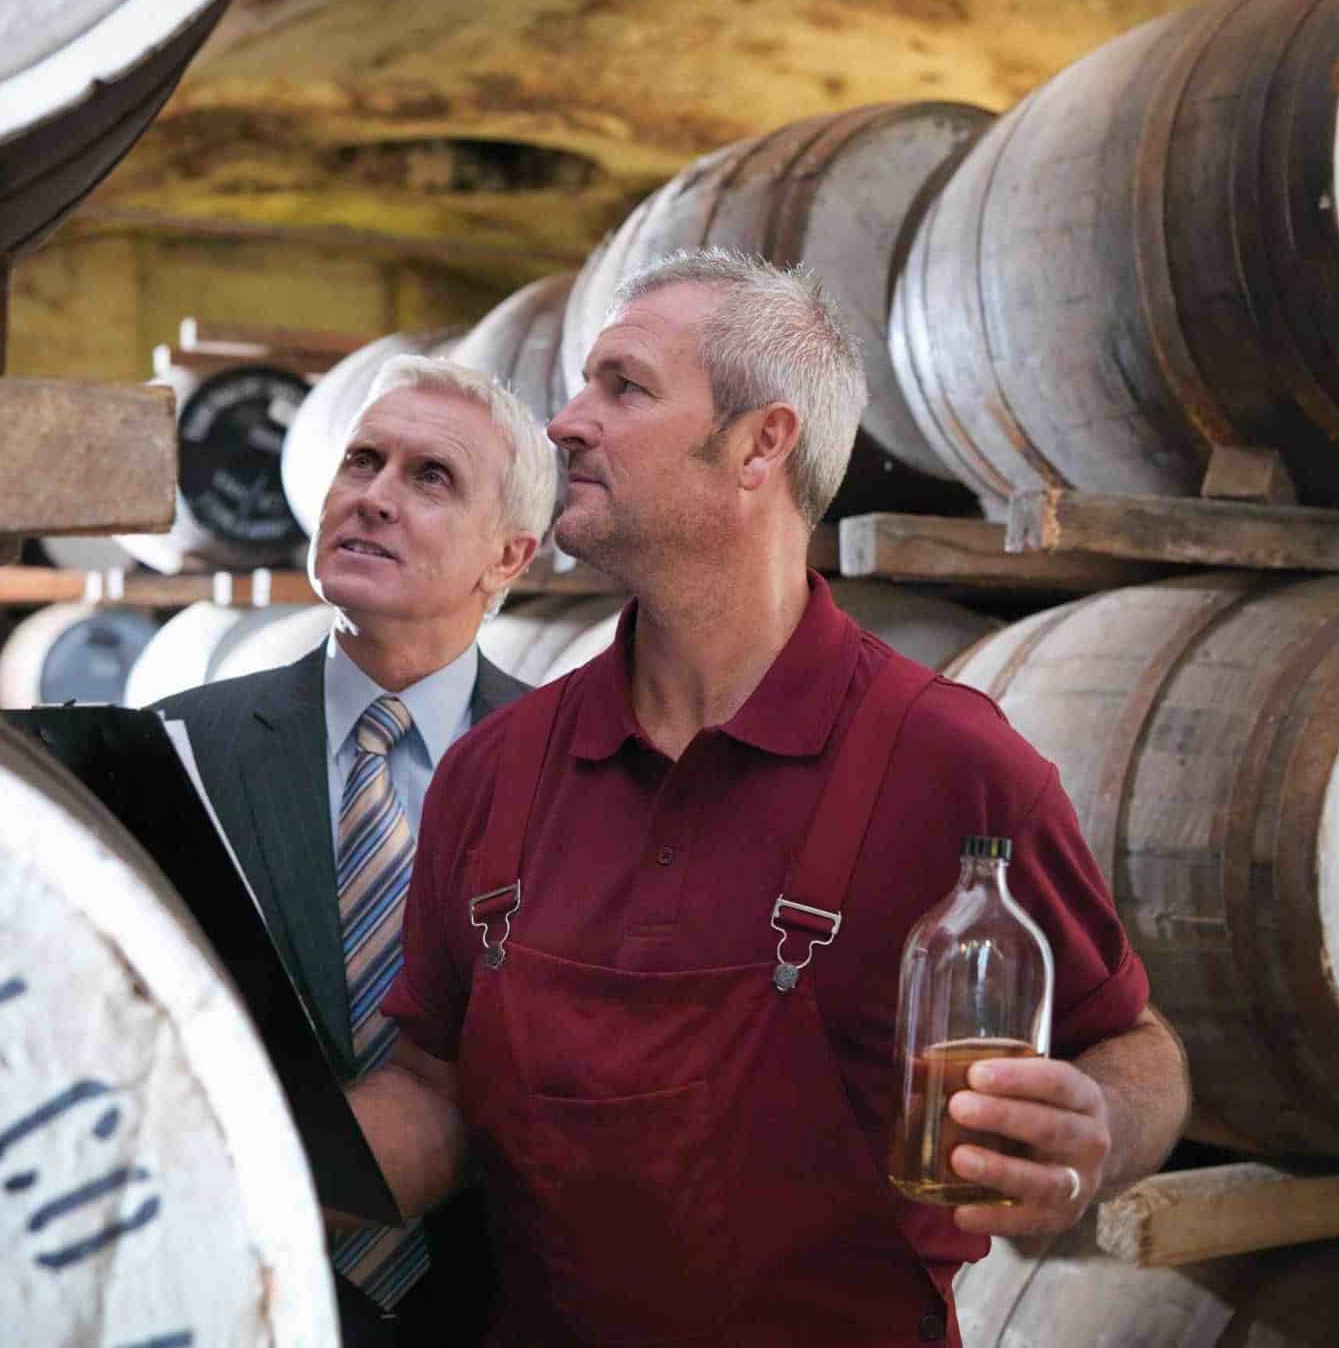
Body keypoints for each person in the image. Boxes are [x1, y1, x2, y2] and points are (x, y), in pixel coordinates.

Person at [353, 249, 1191, 1345]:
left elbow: (1133, 1048)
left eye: (623, 386)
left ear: (762, 443)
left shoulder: (949, 765)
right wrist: (221, 1153)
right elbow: (434, 1090)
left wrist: (1100, 1127)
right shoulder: (493, 769)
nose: (563, 422)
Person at [154, 352, 554, 1342]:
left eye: (430, 477)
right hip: (232, 1294)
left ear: (508, 557)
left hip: (498, 1303)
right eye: (361, 461)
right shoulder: (177, 744)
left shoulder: (569, 770)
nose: (373, 497)